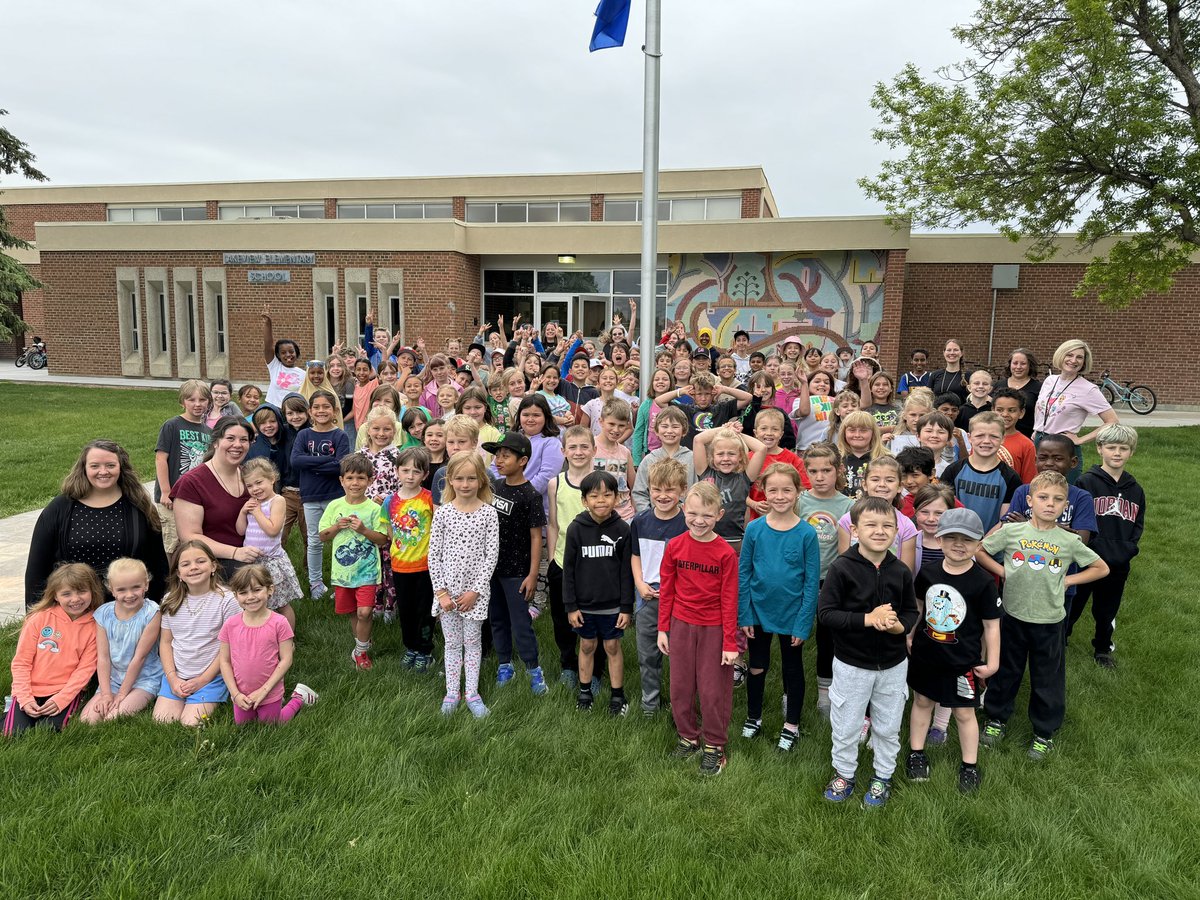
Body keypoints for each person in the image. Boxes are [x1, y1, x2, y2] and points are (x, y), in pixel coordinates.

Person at [978, 472, 1109, 760]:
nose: (1050, 504)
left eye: (1057, 500)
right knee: (1006, 671)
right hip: (1013, 616)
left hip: (1049, 621)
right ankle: (996, 719)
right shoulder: (1013, 532)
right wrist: (1003, 572)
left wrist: (1069, 581)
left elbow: (1101, 568)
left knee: (1047, 678)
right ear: (1029, 500)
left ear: (1065, 505)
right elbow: (981, 551)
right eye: (1043, 497)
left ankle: (1043, 733)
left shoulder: (1069, 540)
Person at [818, 497, 919, 808]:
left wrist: (898, 628)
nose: (880, 531)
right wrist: (868, 620)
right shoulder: (841, 568)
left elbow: (910, 611)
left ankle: (882, 776)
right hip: (852, 664)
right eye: (871, 525)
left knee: (888, 725)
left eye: (887, 526)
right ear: (855, 530)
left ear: (896, 532)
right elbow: (826, 614)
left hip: (892, 665)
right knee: (847, 723)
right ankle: (844, 773)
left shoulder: (900, 570)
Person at [904, 508, 1001, 794]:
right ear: (940, 538)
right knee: (922, 702)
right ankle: (916, 753)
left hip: (963, 661)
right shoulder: (929, 573)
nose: (959, 545)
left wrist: (992, 662)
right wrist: (909, 635)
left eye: (967, 540)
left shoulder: (983, 582)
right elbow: (919, 607)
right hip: (927, 654)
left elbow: (991, 626)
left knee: (963, 713)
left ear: (979, 544)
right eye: (952, 538)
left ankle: (969, 766)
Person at [26, 439, 169, 610]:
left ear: (121, 467)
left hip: (127, 610)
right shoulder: (60, 508)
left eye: (110, 465)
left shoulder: (139, 507)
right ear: (84, 468)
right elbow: (37, 566)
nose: (103, 471)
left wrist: (155, 608)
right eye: (95, 466)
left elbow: (158, 565)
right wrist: (35, 613)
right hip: (75, 608)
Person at [658, 482, 740, 775]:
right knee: (680, 686)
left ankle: (714, 745)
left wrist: (731, 642)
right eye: (693, 513)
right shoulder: (676, 546)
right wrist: (662, 629)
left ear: (719, 514)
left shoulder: (725, 554)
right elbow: (667, 589)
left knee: (711, 689)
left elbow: (730, 601)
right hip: (680, 625)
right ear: (683, 511)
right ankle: (688, 736)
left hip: (714, 629)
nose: (699, 521)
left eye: (706, 515)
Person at [738, 464, 820, 751]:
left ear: (798, 492)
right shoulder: (754, 529)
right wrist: (745, 613)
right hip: (758, 612)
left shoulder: (807, 533)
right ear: (764, 492)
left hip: (791, 614)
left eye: (787, 489)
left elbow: (811, 583)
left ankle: (791, 725)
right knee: (758, 666)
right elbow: (744, 573)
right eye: (773, 490)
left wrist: (802, 622)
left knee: (792, 668)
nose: (780, 496)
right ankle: (753, 718)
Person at [429, 451, 500, 719]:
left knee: (472, 643)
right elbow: (433, 554)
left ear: (481, 480)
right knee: (451, 644)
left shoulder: (488, 514)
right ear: (450, 480)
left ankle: (472, 693)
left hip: (475, 594)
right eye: (459, 478)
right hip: (447, 593)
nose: (466, 484)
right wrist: (441, 592)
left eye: (471, 478)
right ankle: (451, 692)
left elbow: (490, 556)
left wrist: (474, 592)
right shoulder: (444, 513)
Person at [1071, 424, 1145, 668]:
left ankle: (1102, 648)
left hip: (1118, 562)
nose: (1117, 453)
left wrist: (1128, 548)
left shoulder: (1135, 489)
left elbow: (1137, 524)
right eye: (1111, 447)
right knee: (1074, 602)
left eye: (1123, 448)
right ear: (1099, 448)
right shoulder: (1086, 483)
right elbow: (1078, 522)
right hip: (1087, 560)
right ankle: (1061, 638)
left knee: (1107, 609)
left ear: (1131, 452)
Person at [563, 471, 634, 715]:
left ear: (616, 498)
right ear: (584, 500)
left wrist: (626, 607)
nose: (601, 500)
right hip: (584, 606)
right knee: (587, 646)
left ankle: (618, 696)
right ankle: (584, 693)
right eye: (594, 496)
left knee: (613, 647)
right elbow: (568, 571)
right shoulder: (576, 529)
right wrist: (571, 606)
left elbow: (627, 572)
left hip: (613, 606)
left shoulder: (623, 529)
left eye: (607, 495)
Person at [484, 431, 549, 696]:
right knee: (497, 618)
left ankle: (533, 669)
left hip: (517, 572)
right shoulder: (494, 488)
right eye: (497, 455)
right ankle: (504, 664)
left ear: (522, 461)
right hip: (492, 570)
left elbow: (536, 537)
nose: (499, 460)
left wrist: (533, 574)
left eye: (505, 455)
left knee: (520, 622)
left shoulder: (530, 495)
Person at [6, 563, 100, 736]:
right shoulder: (38, 619)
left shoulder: (96, 625)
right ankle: (11, 707)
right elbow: (21, 662)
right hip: (30, 689)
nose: (75, 599)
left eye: (81, 591)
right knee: (14, 733)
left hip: (63, 691)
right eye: (66, 594)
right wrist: (25, 697)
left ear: (92, 591)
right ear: (55, 595)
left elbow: (85, 670)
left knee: (48, 731)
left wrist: (62, 699)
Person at [153, 541, 241, 727]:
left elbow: (230, 647)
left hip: (211, 676)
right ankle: (174, 688)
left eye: (200, 561)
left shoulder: (227, 600)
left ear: (213, 566)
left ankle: (209, 694)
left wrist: (203, 680)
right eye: (185, 564)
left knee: (191, 724)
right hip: (177, 674)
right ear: (179, 573)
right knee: (162, 722)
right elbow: (166, 642)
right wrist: (172, 677)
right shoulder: (171, 600)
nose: (193, 567)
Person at [218, 565, 319, 726]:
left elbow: (286, 659)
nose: (250, 597)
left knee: (272, 724)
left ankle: (298, 698)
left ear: (269, 589)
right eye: (243, 592)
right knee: (243, 725)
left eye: (256, 590)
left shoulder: (279, 623)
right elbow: (224, 661)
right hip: (241, 692)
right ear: (236, 595)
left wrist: (264, 691)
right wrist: (235, 694)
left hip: (269, 690)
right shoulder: (230, 624)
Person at [798, 442, 855, 717]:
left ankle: (825, 696)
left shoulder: (848, 505)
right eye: (813, 471)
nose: (819, 477)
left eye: (826, 470)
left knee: (827, 638)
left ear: (838, 471)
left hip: (831, 582)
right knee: (793, 637)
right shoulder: (799, 501)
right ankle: (791, 691)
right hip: (799, 580)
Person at [629, 458, 689, 717]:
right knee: (648, 655)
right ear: (649, 489)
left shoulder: (688, 523)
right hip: (647, 598)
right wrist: (640, 584)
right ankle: (649, 705)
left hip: (680, 600)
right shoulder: (640, 521)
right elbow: (635, 556)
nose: (663, 496)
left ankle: (681, 706)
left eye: (670, 490)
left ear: (682, 490)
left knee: (680, 658)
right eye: (657, 489)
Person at [319, 455, 389, 670]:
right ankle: (362, 639)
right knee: (352, 611)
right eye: (350, 478)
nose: (355, 483)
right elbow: (323, 535)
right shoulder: (334, 506)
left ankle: (360, 652)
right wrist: (337, 527)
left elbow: (383, 539)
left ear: (370, 480)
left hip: (367, 571)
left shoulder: (375, 509)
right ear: (342, 481)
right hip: (343, 572)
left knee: (365, 612)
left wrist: (363, 530)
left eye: (360, 478)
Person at [172, 417, 257, 581]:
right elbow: (189, 536)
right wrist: (235, 553)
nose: (237, 445)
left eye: (244, 440)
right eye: (230, 438)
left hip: (251, 553)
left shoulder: (250, 477)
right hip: (211, 561)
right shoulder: (192, 483)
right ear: (216, 442)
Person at [376, 447, 437, 672]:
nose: (410, 475)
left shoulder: (429, 499)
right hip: (400, 567)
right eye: (405, 470)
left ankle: (425, 650)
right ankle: (410, 647)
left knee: (425, 611)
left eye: (416, 471)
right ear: (397, 471)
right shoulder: (389, 502)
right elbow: (389, 531)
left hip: (425, 567)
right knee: (407, 611)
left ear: (425, 474)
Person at [80, 558, 163, 724]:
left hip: (145, 678)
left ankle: (139, 696)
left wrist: (123, 693)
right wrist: (105, 694)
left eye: (136, 587)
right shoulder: (103, 614)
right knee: (87, 720)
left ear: (146, 585)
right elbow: (103, 657)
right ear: (111, 589)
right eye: (122, 589)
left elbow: (139, 657)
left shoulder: (152, 612)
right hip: (114, 679)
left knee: (113, 717)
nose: (129, 595)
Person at [546, 426, 594, 687]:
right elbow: (553, 524)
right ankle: (568, 663)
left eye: (584, 446)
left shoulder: (601, 480)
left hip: (595, 563)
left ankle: (595, 669)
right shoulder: (556, 483)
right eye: (572, 447)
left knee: (593, 616)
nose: (578, 452)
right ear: (564, 451)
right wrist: (553, 559)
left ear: (594, 450)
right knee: (562, 617)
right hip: (563, 561)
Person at [290, 390, 350, 597]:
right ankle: (315, 583)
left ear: (334, 411)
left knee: (340, 539)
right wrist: (326, 461)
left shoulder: (339, 435)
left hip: (334, 495)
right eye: (317, 407)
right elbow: (296, 461)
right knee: (315, 540)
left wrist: (310, 464)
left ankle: (340, 583)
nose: (321, 410)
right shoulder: (304, 435)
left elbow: (340, 467)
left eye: (326, 407)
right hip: (310, 496)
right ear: (310, 411)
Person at [1034, 339, 1119, 483]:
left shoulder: (1088, 389)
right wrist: (1037, 430)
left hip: (1063, 449)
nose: (1073, 360)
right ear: (1061, 355)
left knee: (1064, 494)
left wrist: (1080, 440)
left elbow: (1112, 421)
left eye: (1079, 357)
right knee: (1039, 491)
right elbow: (1043, 410)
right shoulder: (1050, 381)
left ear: (1084, 362)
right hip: (1039, 444)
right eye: (1069, 355)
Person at [236, 459, 301, 630]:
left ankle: (288, 637)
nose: (255, 489)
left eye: (259, 482)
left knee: (281, 603)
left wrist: (256, 512)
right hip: (252, 562)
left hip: (271, 562)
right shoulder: (251, 504)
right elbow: (240, 531)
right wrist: (243, 512)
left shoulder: (277, 501)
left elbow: (272, 530)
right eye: (250, 486)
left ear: (272, 478)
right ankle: (265, 634)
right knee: (260, 603)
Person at [154, 380, 213, 553]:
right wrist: (165, 491)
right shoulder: (172, 425)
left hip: (194, 497)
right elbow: (160, 459)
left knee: (192, 540)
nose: (197, 404)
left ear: (208, 402)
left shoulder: (208, 432)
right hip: (171, 499)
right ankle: (173, 578)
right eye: (191, 400)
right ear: (182, 402)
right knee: (173, 543)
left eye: (202, 400)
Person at [694, 428, 767, 552]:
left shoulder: (744, 477)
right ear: (712, 456)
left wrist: (736, 433)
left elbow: (761, 449)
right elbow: (698, 440)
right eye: (720, 454)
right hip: (705, 537)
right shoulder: (705, 473)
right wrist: (725, 428)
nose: (726, 458)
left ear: (740, 456)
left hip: (734, 542)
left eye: (731, 454)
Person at [632, 406, 696, 514]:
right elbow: (639, 493)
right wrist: (649, 516)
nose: (669, 431)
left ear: (684, 431)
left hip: (686, 520)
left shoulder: (693, 458)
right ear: (656, 431)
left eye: (675, 427)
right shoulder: (649, 460)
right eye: (664, 426)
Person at [592, 398, 637, 521]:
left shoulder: (625, 452)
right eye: (611, 424)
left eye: (621, 426)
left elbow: (634, 487)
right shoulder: (590, 448)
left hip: (625, 516)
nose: (616, 430)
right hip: (597, 516)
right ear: (601, 421)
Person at [261, 304, 305, 406]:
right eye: (283, 353)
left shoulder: (303, 374)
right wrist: (268, 323)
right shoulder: (275, 366)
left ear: (296, 353)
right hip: (273, 409)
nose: (288, 355)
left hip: (291, 412)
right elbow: (268, 346)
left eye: (291, 351)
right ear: (278, 355)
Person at [993, 388, 1038, 483]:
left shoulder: (1027, 445)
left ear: (1021, 413)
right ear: (992, 410)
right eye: (1000, 410)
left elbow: (1028, 482)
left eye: (1011, 410)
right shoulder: (981, 438)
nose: (1005, 414)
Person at [1003, 347, 1042, 437]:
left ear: (1029, 366)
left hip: (1028, 437)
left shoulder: (1039, 388)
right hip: (1000, 438)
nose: (1018, 367)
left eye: (1023, 364)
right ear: (1010, 365)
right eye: (1015, 363)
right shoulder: (998, 386)